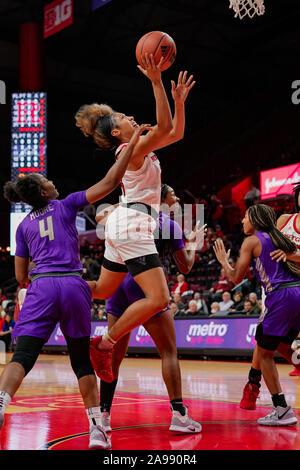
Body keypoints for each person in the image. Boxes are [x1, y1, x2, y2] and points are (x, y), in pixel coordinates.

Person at [0, 123, 149, 450]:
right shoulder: (66, 205)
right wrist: (134, 142)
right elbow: (111, 182)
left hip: (41, 287)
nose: (53, 182)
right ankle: (97, 429)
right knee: (81, 360)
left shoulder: (23, 227)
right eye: (48, 181)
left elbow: (21, 274)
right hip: (73, 284)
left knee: (23, 354)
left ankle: (1, 403)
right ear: (43, 192)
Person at [76, 58, 196, 379]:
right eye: (122, 117)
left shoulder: (140, 146)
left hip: (124, 223)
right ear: (117, 131)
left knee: (101, 289)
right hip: (133, 224)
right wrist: (156, 82)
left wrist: (179, 103)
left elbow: (175, 132)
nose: (130, 116)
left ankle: (56, 287)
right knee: (159, 298)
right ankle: (104, 343)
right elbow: (167, 128)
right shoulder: (128, 150)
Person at [95, 184, 205, 434]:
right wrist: (195, 244)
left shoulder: (123, 216)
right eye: (173, 194)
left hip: (116, 284)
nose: (177, 197)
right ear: (161, 198)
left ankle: (104, 415)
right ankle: (179, 415)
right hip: (145, 286)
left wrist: (124, 205)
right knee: (168, 352)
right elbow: (185, 267)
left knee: (114, 356)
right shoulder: (169, 225)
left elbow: (100, 217)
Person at [213, 204, 300, 426]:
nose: (242, 220)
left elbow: (235, 278)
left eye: (245, 217)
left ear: (255, 219)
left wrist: (224, 261)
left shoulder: (252, 241)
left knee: (264, 354)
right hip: (298, 292)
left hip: (280, 297)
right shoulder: (280, 237)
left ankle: (282, 409)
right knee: (280, 345)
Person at [239, 182, 300, 397]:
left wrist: (291, 255)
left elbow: (285, 251)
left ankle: (253, 385)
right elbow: (270, 241)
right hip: (280, 286)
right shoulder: (285, 220)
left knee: (266, 342)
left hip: (292, 288)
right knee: (277, 344)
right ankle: (254, 383)